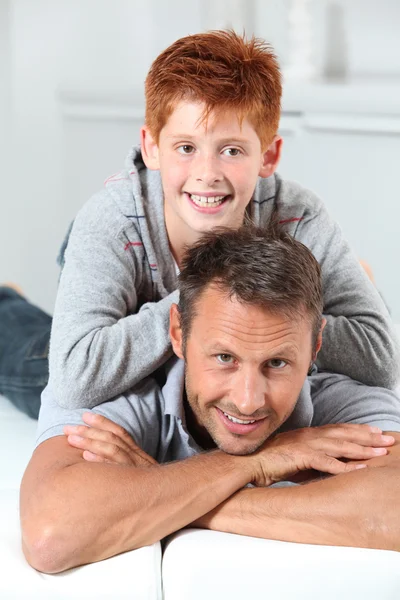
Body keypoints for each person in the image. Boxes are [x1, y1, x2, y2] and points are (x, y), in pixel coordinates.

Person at [0, 30, 398, 419]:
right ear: (152, 148)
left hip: (211, 360)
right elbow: (73, 379)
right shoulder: (111, 222)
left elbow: (382, 360)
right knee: (39, 366)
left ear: (268, 156)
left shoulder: (298, 215)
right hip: (131, 317)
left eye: (231, 150)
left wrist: (268, 324)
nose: (207, 173)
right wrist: (214, 307)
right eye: (186, 148)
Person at [20, 226, 400, 574]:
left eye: (277, 363)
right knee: (27, 353)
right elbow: (50, 537)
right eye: (224, 358)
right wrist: (262, 462)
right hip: (56, 359)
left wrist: (172, 493)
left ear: (316, 345)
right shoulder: (112, 388)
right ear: (176, 333)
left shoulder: (343, 394)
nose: (248, 401)